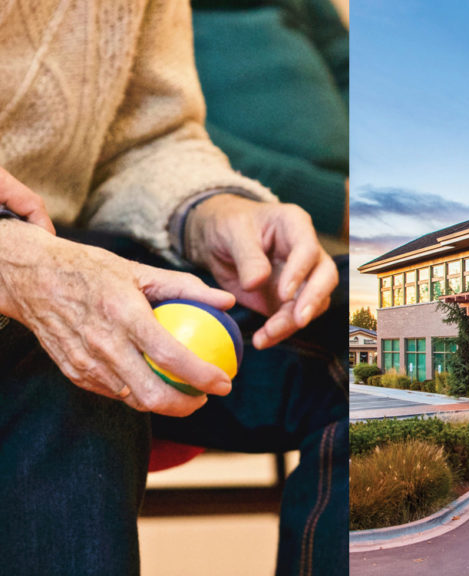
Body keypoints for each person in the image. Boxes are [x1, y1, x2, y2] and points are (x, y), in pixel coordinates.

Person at [0, 2, 343, 575]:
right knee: (71, 352)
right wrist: (18, 266)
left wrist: (209, 210)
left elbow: (146, 138)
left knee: (349, 351)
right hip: (34, 280)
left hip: (76, 247)